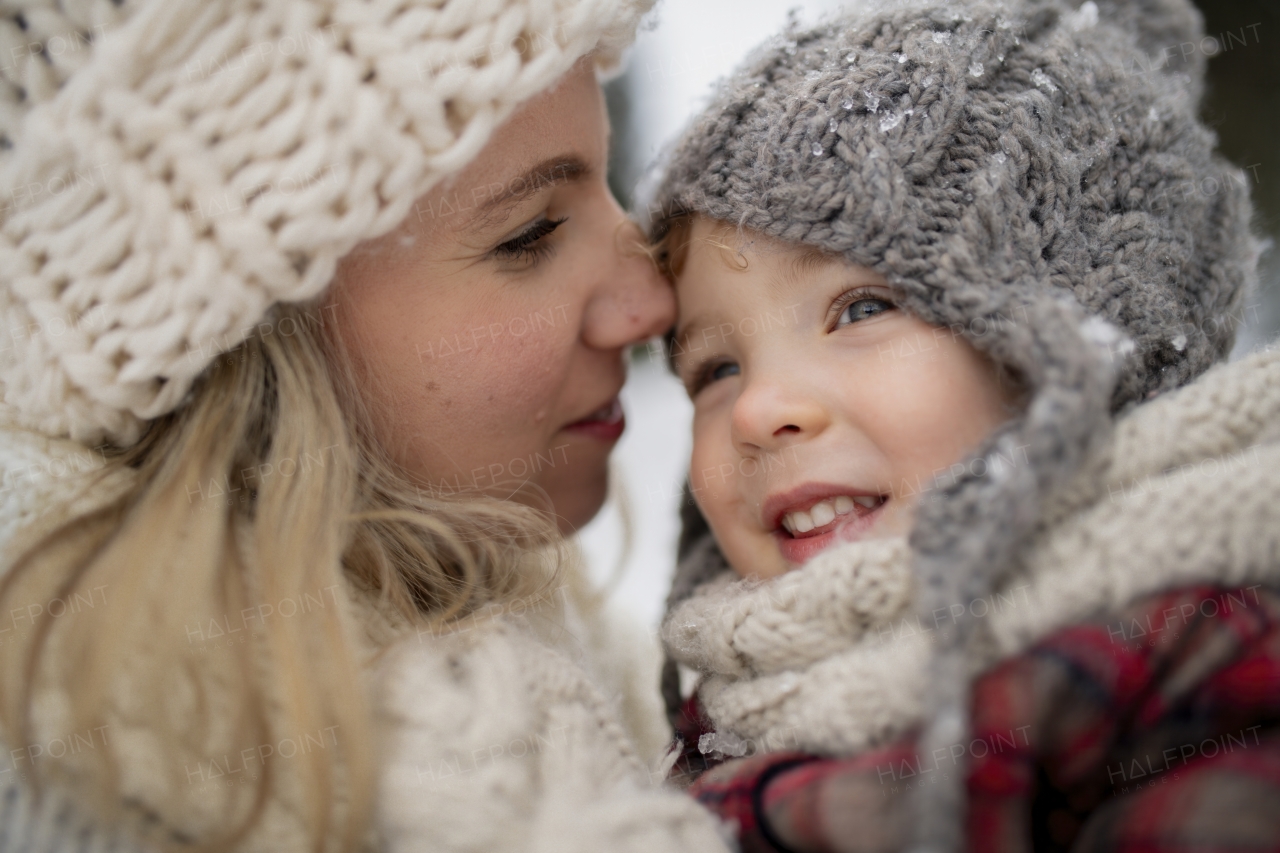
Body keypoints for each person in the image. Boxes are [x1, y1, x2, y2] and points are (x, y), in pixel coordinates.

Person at [0, 1, 731, 851]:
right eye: (529, 236)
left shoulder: (548, 631)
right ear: (251, 351)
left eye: (609, 187)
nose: (651, 303)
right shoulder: (111, 798)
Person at [646, 0, 1280, 850]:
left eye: (860, 307)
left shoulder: (1190, 650)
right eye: (715, 369)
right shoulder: (726, 702)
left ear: (1097, 342)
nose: (759, 410)